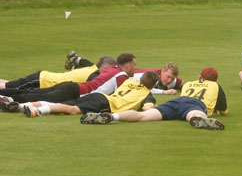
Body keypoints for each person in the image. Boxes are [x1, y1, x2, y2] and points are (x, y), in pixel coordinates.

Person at [79, 67, 226, 131]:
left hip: (175, 102)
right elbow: (223, 110)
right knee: (193, 113)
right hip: (195, 104)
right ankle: (198, 119)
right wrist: (220, 112)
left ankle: (112, 117)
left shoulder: (188, 84)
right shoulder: (215, 86)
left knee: (143, 116)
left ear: (199, 77)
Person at [0, 53, 136, 105]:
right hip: (70, 90)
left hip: (66, 86)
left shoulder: (107, 69)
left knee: (27, 92)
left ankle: (5, 97)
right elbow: (118, 96)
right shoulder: (120, 75)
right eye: (134, 65)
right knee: (32, 96)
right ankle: (5, 100)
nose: (135, 68)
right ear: (128, 65)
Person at [21, 71, 159, 118]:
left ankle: (21, 105)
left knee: (63, 104)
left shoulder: (129, 81)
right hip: (106, 104)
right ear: (153, 86)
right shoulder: (148, 95)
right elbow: (147, 109)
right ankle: (38, 110)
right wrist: (155, 104)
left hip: (99, 96)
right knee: (72, 110)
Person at [0, 56, 116, 90]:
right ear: (105, 68)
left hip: (43, 78)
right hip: (43, 81)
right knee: (9, 87)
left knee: (13, 84)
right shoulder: (93, 75)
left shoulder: (91, 67)